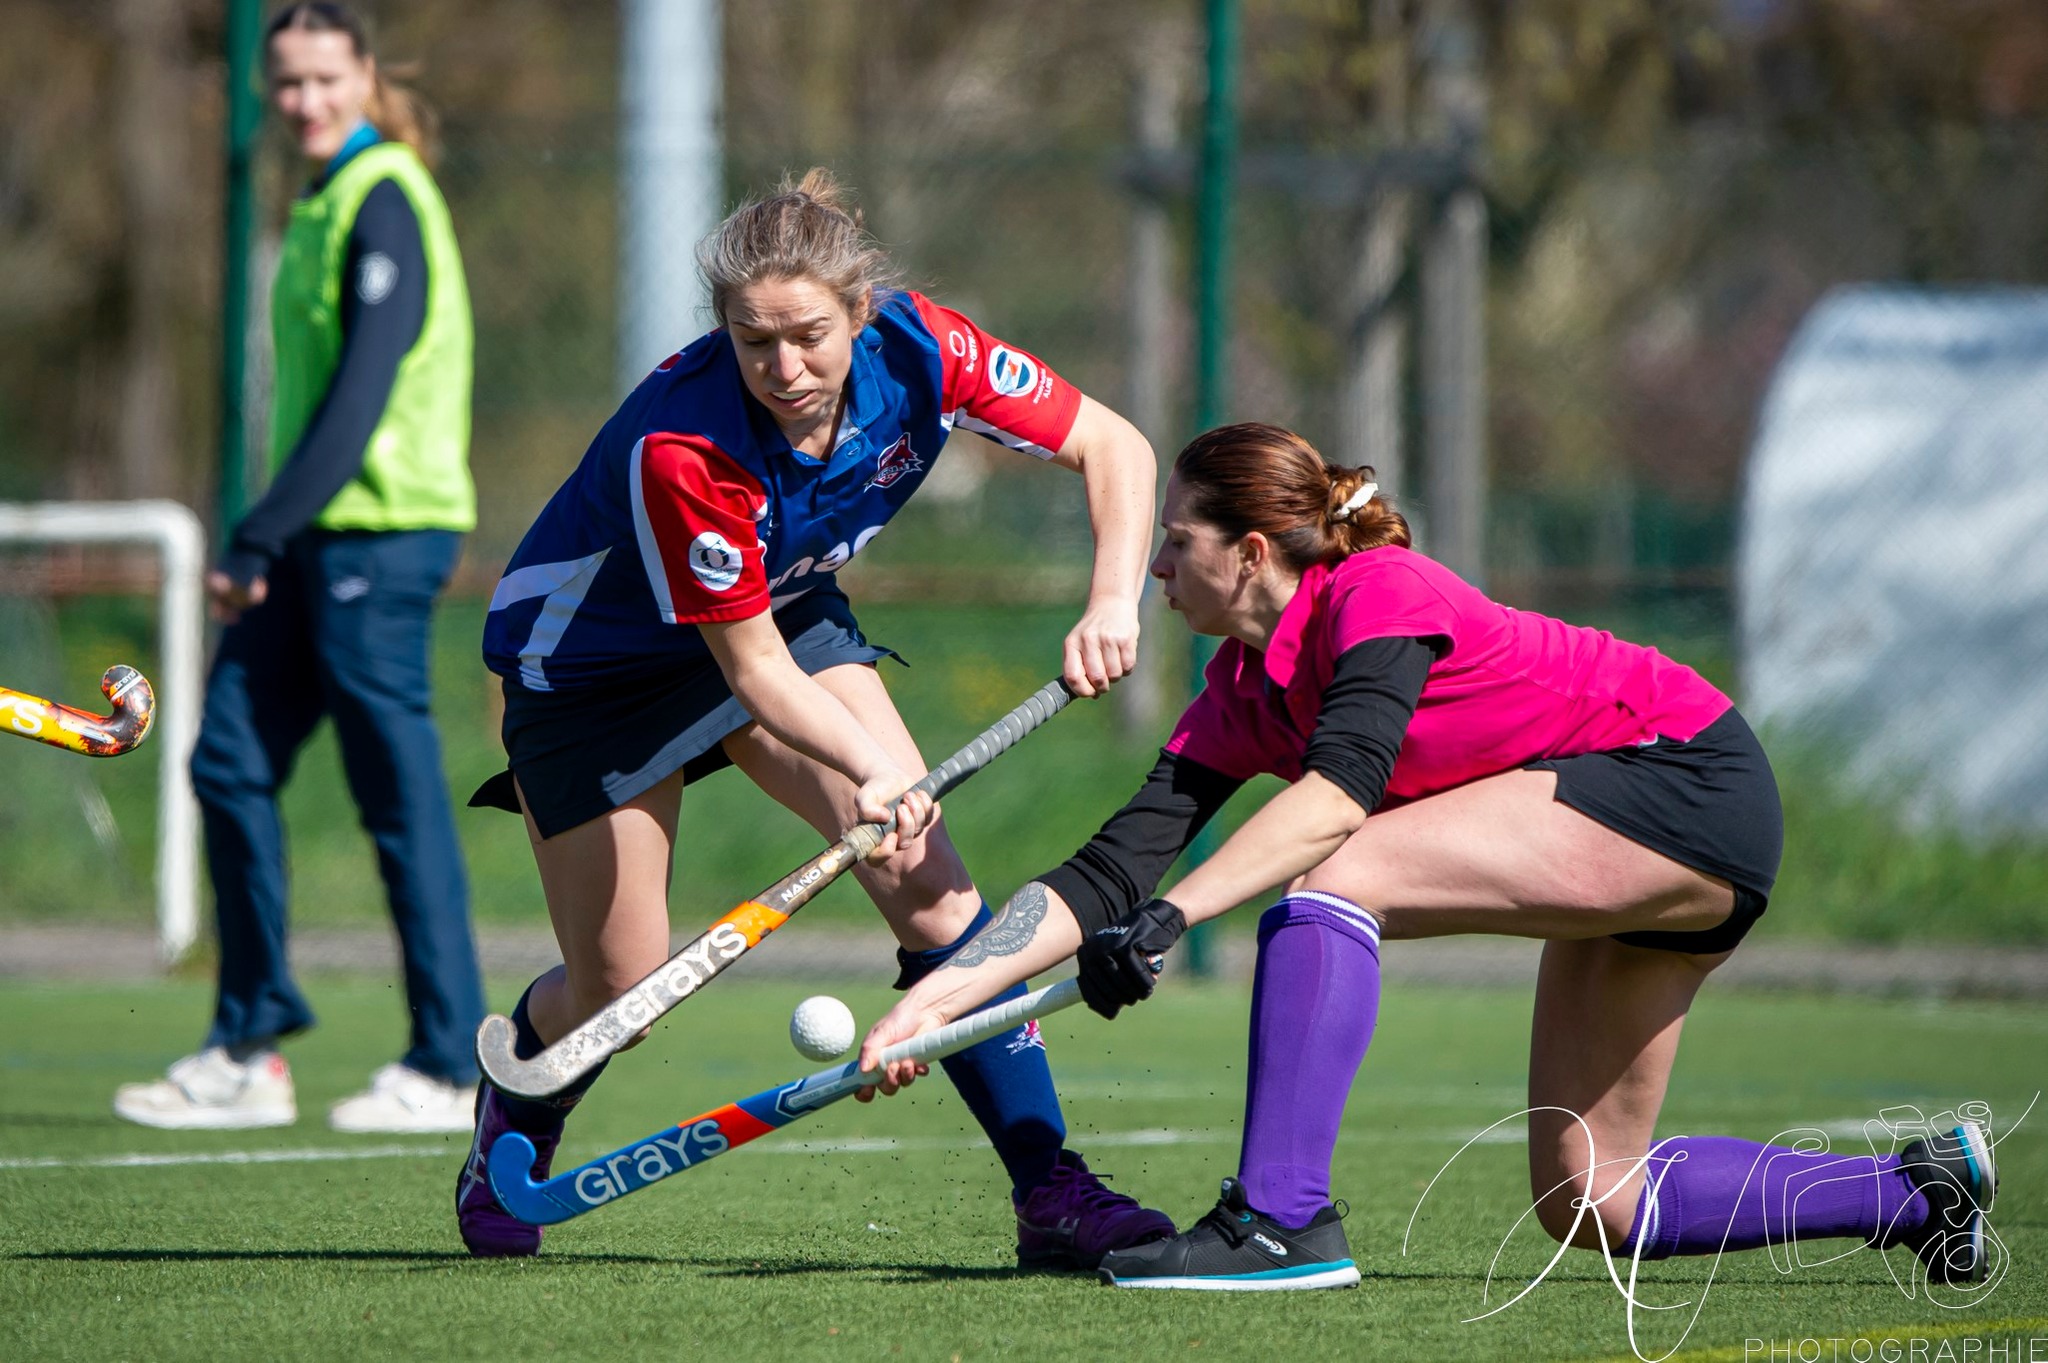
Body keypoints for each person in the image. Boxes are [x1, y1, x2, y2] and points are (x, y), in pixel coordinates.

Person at [859, 421, 1999, 1292]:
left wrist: (1173, 917)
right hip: (1617, 825)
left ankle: (1278, 1223)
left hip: (1684, 779)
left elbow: (1337, 797)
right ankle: (1919, 1190)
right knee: (1594, 1197)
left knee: (1333, 875)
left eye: (1175, 540)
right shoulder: (1240, 691)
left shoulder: (1378, 594)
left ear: (1248, 552)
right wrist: (940, 998)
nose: (1155, 566)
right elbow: (1110, 867)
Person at [455, 169, 1175, 1267]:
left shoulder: (924, 348)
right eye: (754, 343)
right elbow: (752, 677)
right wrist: (872, 767)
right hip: (594, 674)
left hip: (781, 609)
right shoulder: (688, 450)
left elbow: (1113, 445)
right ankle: (518, 1108)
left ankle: (1050, 1189)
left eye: (807, 337)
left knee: (932, 886)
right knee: (622, 987)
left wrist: (1113, 598)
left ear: (860, 311)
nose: (783, 370)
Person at [115, 2, 486, 1135]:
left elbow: (360, 399)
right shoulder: (323, 202)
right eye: (285, 82)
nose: (304, 100)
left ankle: (449, 1062)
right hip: (317, 535)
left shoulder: (386, 197)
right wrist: (280, 532)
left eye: (325, 77)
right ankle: (250, 1040)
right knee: (227, 758)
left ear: (365, 75)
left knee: (395, 796)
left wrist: (256, 534)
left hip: (383, 535)